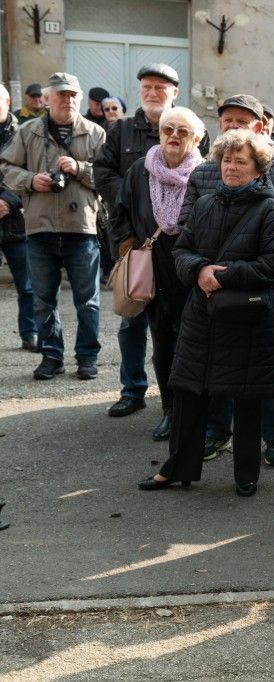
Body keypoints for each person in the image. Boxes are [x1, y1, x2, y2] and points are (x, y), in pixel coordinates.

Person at [138, 129, 274, 496]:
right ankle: (177, 468)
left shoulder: (269, 208)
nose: (231, 167)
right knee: (189, 392)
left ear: (258, 169)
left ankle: (246, 474)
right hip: (202, 316)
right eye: (226, 160)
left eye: (241, 162)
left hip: (246, 320)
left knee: (247, 399)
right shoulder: (206, 202)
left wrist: (221, 275)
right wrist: (199, 270)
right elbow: (181, 250)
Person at [178, 94, 274, 465]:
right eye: (227, 119)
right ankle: (217, 434)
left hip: (253, 297)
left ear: (258, 126)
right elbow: (186, 233)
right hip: (210, 293)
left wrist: (227, 271)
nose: (233, 126)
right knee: (215, 368)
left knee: (266, 370)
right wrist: (200, 269)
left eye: (241, 120)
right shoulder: (202, 174)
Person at [94, 64, 208, 438]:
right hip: (153, 269)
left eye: (183, 131)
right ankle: (171, 410)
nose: (174, 136)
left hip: (193, 273)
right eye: (168, 130)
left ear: (196, 139)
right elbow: (119, 214)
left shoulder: (206, 175)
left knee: (196, 344)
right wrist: (128, 249)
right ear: (159, 134)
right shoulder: (141, 168)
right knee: (162, 345)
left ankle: (200, 412)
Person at [0, 72, 106, 381]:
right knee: (43, 299)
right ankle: (51, 355)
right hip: (40, 227)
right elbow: (6, 168)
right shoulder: (28, 132)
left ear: (80, 98)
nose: (68, 99)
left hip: (81, 227)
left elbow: (111, 176)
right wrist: (31, 181)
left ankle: (87, 357)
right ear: (47, 99)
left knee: (87, 300)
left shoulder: (95, 133)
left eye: (73, 94)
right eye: (61, 94)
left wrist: (80, 169)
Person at [0, 84, 36, 352]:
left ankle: (30, 332)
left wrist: (8, 201)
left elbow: (30, 170)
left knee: (27, 286)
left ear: (8, 101)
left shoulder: (23, 133)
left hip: (17, 221)